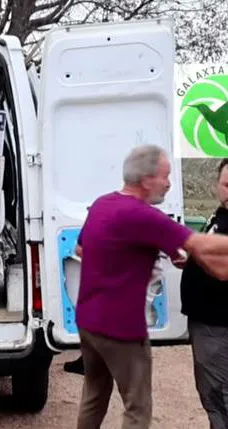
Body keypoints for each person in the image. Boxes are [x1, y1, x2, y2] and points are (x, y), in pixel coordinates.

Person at [74, 145, 228, 429]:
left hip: (88, 323)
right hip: (121, 331)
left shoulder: (103, 204)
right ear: (146, 180)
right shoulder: (144, 216)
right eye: (165, 176)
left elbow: (81, 249)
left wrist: (131, 257)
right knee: (137, 408)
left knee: (94, 396)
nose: (169, 183)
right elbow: (201, 244)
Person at [180, 158, 228, 429]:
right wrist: (191, 258)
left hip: (218, 325)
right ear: (217, 185)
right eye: (227, 184)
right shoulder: (219, 217)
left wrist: (197, 256)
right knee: (212, 394)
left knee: (220, 395)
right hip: (207, 323)